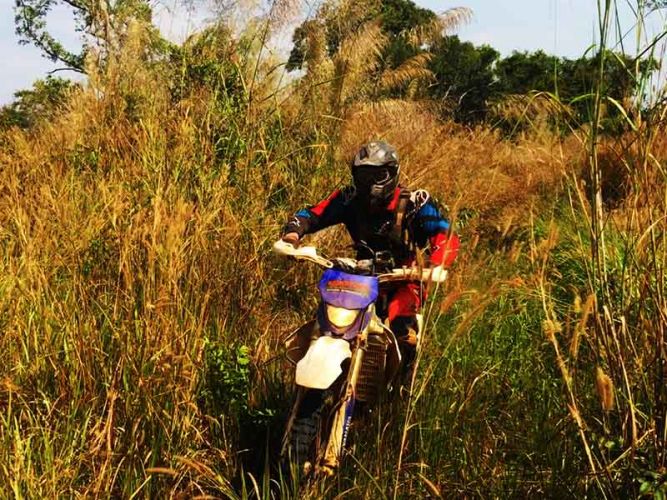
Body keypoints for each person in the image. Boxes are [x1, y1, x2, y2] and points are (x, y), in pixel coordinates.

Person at [281, 141, 459, 361]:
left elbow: (444, 234)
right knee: (331, 322)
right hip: (359, 276)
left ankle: (400, 389)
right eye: (364, 177)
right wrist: (293, 234)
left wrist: (435, 263)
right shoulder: (349, 198)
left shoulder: (415, 202)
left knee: (402, 329)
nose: (370, 184)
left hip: (404, 278)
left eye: (378, 176)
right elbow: (314, 213)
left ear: (393, 174)